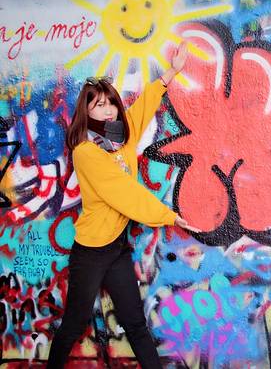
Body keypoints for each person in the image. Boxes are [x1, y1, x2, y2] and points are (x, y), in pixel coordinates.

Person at [47, 42, 199, 368]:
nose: (109, 111)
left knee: (136, 325)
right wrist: (168, 216)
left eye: (111, 103)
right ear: (86, 112)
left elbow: (143, 107)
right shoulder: (86, 153)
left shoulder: (121, 137)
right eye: (99, 105)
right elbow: (125, 195)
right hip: (91, 252)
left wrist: (172, 72)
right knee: (74, 324)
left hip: (116, 248)